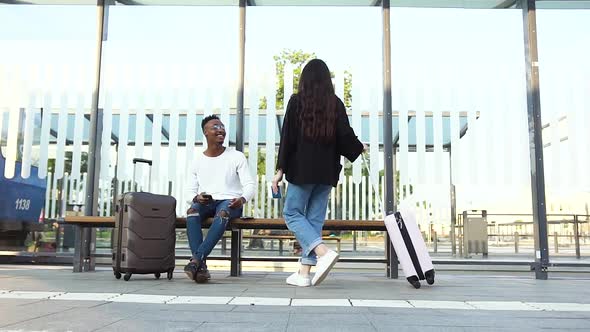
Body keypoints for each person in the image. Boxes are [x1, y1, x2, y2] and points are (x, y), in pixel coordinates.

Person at [272, 59, 365, 287]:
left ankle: (324, 253)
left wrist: (279, 171)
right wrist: (358, 147)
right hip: (326, 173)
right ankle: (304, 274)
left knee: (292, 214)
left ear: (304, 79)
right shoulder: (335, 103)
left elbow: (287, 139)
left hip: (301, 170)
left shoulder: (297, 102)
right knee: (313, 220)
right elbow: (345, 136)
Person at [184, 115, 255, 283]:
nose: (220, 129)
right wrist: (197, 197)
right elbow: (188, 192)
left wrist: (242, 199)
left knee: (222, 213)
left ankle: (196, 260)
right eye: (215, 127)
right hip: (207, 202)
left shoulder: (236, 156)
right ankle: (200, 267)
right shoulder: (197, 160)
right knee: (192, 211)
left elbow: (250, 184)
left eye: (222, 126)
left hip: (230, 202)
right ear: (205, 132)